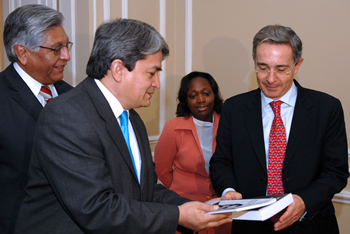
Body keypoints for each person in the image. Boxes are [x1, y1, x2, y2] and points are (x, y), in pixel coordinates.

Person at [14, 18, 232, 234]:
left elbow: (145, 190)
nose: (156, 83)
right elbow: (96, 209)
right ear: (118, 69)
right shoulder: (68, 115)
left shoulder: (132, 118)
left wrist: (197, 208)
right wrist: (179, 216)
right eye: (151, 72)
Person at [209, 24, 348, 234]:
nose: (270, 78)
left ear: (297, 65)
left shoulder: (326, 108)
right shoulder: (234, 108)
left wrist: (303, 200)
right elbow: (221, 161)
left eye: (281, 69)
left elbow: (336, 171)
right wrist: (229, 191)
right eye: (263, 67)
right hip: (251, 226)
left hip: (311, 225)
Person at [0, 4, 73, 233]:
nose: (67, 56)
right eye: (56, 48)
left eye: (66, 45)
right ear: (22, 52)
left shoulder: (73, 95)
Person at [154, 71, 230, 234]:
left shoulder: (228, 123)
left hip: (222, 211)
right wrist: (181, 191)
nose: (201, 100)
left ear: (214, 95)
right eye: (193, 95)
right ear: (186, 100)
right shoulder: (173, 128)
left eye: (206, 93)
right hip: (186, 211)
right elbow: (162, 170)